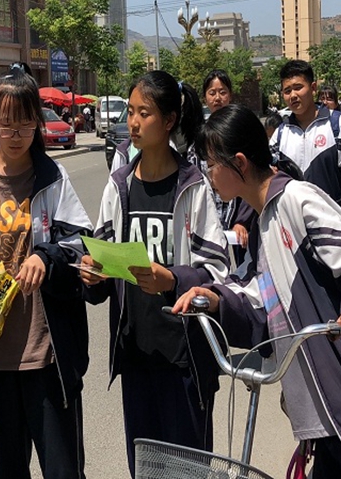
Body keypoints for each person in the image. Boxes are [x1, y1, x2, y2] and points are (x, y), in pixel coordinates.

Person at [174, 104, 341, 478]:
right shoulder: (263, 223)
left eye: (211, 165)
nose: (208, 175)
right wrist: (216, 299)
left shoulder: (298, 199)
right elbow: (263, 301)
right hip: (322, 418)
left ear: (239, 163)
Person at [0, 71, 94, 479]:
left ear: (37, 123)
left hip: (46, 353)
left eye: (26, 123)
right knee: (8, 469)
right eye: (7, 123)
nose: (15, 134)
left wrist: (46, 257)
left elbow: (81, 242)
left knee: (63, 469)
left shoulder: (52, 178)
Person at [80, 70, 229, 478]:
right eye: (130, 112)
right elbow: (101, 258)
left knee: (187, 469)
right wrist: (92, 275)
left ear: (168, 121)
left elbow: (217, 270)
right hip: (137, 354)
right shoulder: (119, 185)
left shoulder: (193, 186)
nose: (133, 122)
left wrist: (173, 280)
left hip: (184, 359)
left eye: (143, 113)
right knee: (145, 469)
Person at [271, 59, 341, 225]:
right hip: (295, 228)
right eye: (287, 91)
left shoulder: (338, 124)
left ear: (313, 88)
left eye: (298, 87)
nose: (293, 95)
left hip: (334, 227)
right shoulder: (280, 134)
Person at [201, 68, 256, 262]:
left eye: (222, 92)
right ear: (205, 98)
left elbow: (253, 178)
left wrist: (242, 220)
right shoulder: (201, 136)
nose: (217, 98)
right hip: (209, 220)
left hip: (239, 223)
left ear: (230, 95)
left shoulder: (242, 130)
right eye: (212, 92)